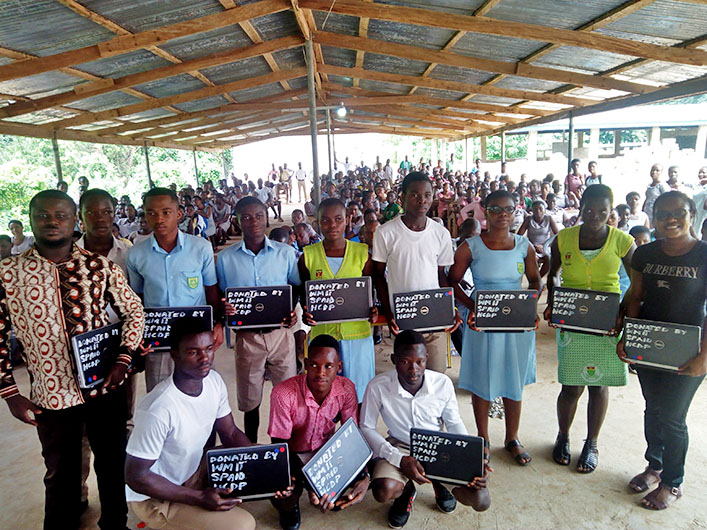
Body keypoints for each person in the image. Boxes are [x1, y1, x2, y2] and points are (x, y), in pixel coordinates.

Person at [0, 190, 145, 530]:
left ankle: (115, 524)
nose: (52, 221)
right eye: (43, 215)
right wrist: (9, 391)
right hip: (51, 394)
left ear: (74, 221)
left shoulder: (99, 266)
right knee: (60, 473)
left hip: (104, 386)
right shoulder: (7, 273)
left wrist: (123, 359)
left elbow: (134, 311)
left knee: (111, 465)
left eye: (61, 215)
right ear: (31, 218)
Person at [125, 317, 263, 530]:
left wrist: (264, 466)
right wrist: (198, 498)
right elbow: (136, 477)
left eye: (209, 348)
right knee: (243, 524)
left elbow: (230, 433)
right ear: (174, 354)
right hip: (157, 498)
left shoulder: (214, 381)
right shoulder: (158, 408)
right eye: (193, 352)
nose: (204, 358)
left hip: (193, 470)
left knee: (270, 467)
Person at [617, 191, 707, 510]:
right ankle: (654, 467)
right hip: (650, 344)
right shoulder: (644, 254)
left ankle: (673, 482)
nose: (670, 219)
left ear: (692, 214)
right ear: (652, 219)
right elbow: (636, 296)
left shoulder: (704, 255)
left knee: (673, 417)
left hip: (690, 349)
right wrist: (629, 336)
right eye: (662, 214)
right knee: (653, 408)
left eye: (678, 213)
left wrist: (704, 357)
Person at [544, 184, 636, 473]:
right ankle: (563, 436)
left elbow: (637, 283)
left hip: (608, 323)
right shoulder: (564, 238)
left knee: (599, 386)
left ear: (612, 213)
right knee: (570, 385)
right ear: (580, 208)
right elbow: (553, 274)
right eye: (589, 210)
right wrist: (554, 301)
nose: (595, 215)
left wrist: (623, 313)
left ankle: (592, 443)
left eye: (603, 211)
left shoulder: (623, 240)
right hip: (573, 321)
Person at [361, 331, 491, 529]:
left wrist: (469, 459)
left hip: (439, 447)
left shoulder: (442, 383)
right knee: (383, 491)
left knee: (480, 499)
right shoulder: (378, 386)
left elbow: (454, 422)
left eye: (420, 361)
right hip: (400, 446)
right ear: (394, 360)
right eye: (405, 362)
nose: (413, 369)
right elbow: (367, 427)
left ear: (427, 359)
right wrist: (399, 459)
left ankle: (440, 483)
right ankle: (406, 494)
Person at [449, 190, 542, 467]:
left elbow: (536, 280)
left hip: (515, 324)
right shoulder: (470, 246)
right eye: (496, 209)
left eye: (509, 209)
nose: (503, 214)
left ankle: (512, 438)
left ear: (516, 212)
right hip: (484, 323)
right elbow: (453, 281)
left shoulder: (524, 246)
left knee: (513, 378)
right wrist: (472, 306)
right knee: (482, 378)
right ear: (484, 212)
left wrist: (531, 306)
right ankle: (483, 438)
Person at [217, 197, 300, 443]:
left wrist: (292, 308)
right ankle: (251, 447)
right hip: (248, 337)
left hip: (280, 335)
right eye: (246, 217)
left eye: (259, 216)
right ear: (237, 220)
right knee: (250, 400)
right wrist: (226, 307)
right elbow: (222, 293)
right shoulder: (225, 258)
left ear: (267, 217)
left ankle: (281, 449)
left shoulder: (285, 253)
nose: (253, 222)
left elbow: (295, 286)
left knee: (285, 397)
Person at [126, 187, 224, 392]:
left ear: (179, 214)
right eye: (151, 213)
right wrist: (138, 334)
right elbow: (138, 297)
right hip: (159, 339)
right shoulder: (136, 254)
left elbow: (211, 290)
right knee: (161, 394)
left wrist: (218, 324)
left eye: (165, 212)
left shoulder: (200, 247)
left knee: (203, 393)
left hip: (196, 337)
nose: (158, 218)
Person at [268, 334, 367, 528]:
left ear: (339, 367)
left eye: (328, 366)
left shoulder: (346, 389)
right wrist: (309, 482)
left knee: (347, 492)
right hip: (293, 453)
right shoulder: (283, 393)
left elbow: (351, 438)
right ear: (305, 364)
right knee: (282, 492)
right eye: (314, 365)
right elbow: (279, 445)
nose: (321, 372)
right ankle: (290, 507)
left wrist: (362, 476)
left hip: (327, 451)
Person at [373, 172, 461, 374]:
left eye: (427, 195)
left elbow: (441, 276)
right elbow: (379, 275)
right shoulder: (386, 233)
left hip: (434, 316)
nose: (422, 200)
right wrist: (389, 312)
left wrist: (450, 308)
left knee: (436, 374)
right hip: (404, 317)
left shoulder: (441, 233)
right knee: (409, 376)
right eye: (415, 194)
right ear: (402, 196)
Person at [299, 199, 377, 403]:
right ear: (317, 223)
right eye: (325, 220)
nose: (332, 225)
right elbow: (304, 295)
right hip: (323, 337)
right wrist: (306, 313)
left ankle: (356, 434)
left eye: (338, 219)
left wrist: (374, 309)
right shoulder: (307, 256)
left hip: (357, 335)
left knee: (358, 395)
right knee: (325, 398)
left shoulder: (362, 254)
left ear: (348, 220)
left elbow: (371, 292)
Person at [517, 199, 559, 277]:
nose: (538, 211)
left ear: (544, 210)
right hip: (531, 247)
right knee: (533, 259)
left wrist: (545, 246)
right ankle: (535, 280)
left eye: (540, 209)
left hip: (545, 247)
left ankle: (538, 279)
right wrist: (532, 246)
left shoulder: (549, 219)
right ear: (532, 210)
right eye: (535, 209)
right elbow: (519, 235)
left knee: (549, 259)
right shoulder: (529, 219)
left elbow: (558, 235)